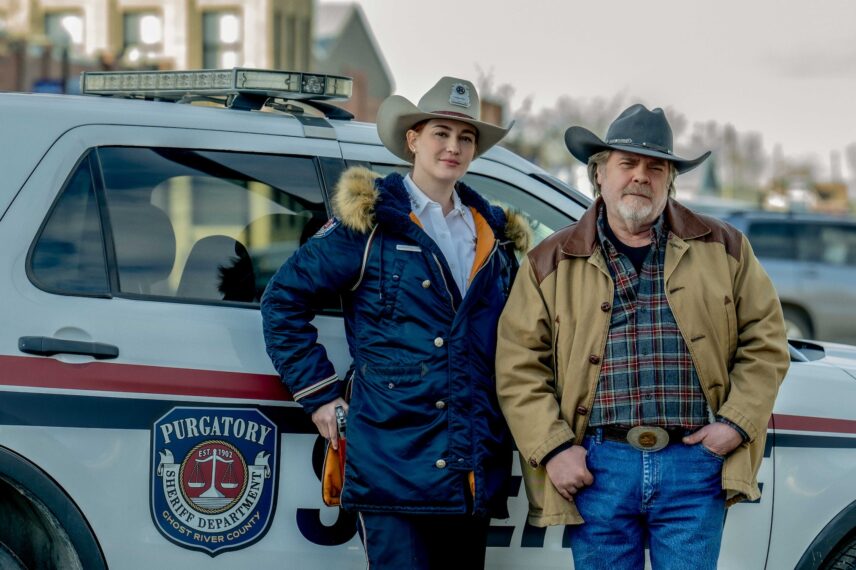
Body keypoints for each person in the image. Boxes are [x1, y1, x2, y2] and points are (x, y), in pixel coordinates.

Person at [495, 104, 790, 569]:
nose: (641, 177)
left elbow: (766, 342)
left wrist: (734, 424)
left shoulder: (725, 247)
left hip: (695, 465)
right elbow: (518, 364)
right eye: (627, 164)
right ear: (599, 175)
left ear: (670, 179)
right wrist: (552, 448)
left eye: (656, 167)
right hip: (598, 468)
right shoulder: (550, 260)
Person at [262, 77, 530, 569]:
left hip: (470, 465)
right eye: (440, 133)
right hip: (392, 458)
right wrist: (320, 395)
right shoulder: (371, 223)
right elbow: (282, 300)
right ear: (413, 139)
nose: (452, 147)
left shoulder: (492, 231)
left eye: (465, 138)